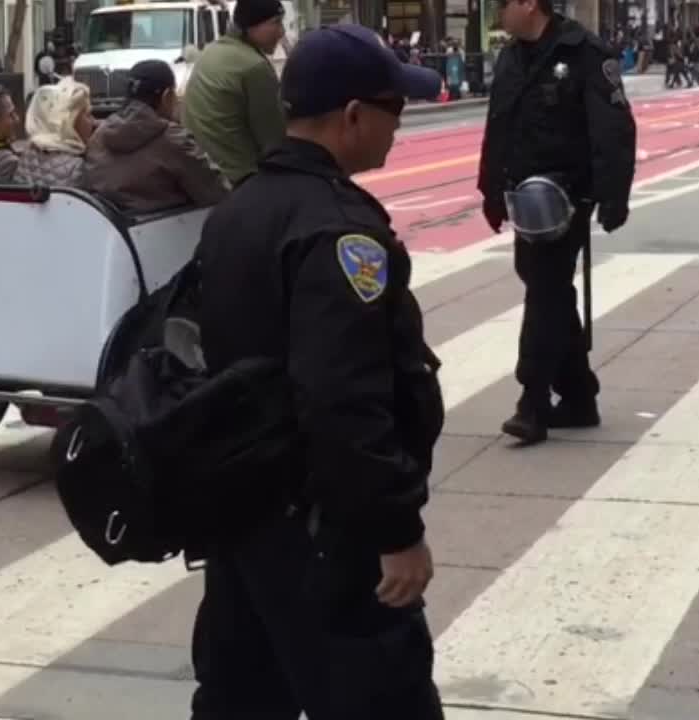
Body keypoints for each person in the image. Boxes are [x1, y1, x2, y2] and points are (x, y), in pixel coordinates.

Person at [190, 23, 447, 718]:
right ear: (354, 116)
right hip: (325, 533)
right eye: (395, 112)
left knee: (242, 702)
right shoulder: (338, 232)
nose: (400, 130)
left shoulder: (237, 211)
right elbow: (342, 399)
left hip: (243, 516)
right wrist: (395, 529)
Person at [477, 0, 636, 444]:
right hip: (523, 196)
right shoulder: (511, 57)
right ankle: (579, 394)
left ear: (529, 4)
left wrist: (613, 195)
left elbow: (613, 127)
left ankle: (532, 399)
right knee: (541, 281)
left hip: (567, 195)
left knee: (545, 285)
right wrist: (490, 190)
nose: (498, 14)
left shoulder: (585, 52)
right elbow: (498, 127)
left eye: (504, 5)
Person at [81, 60, 227, 214]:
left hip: (111, 231)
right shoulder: (174, 140)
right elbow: (217, 193)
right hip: (171, 232)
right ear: (167, 96)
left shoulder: (99, 135)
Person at [181, 0, 287, 186]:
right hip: (240, 179)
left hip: (201, 169)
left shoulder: (212, 51)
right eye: (276, 23)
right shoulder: (254, 66)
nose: (282, 32)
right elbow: (274, 142)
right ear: (250, 26)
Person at [15, 79, 94, 186]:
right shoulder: (77, 168)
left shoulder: (27, 154)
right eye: (88, 114)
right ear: (68, 121)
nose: (93, 122)